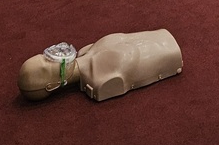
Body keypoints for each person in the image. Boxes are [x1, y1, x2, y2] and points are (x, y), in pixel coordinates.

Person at [17, 31, 183, 103]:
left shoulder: (86, 52)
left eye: (44, 56)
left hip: (160, 40)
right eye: (46, 65)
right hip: (166, 50)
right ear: (51, 85)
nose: (51, 58)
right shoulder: (100, 79)